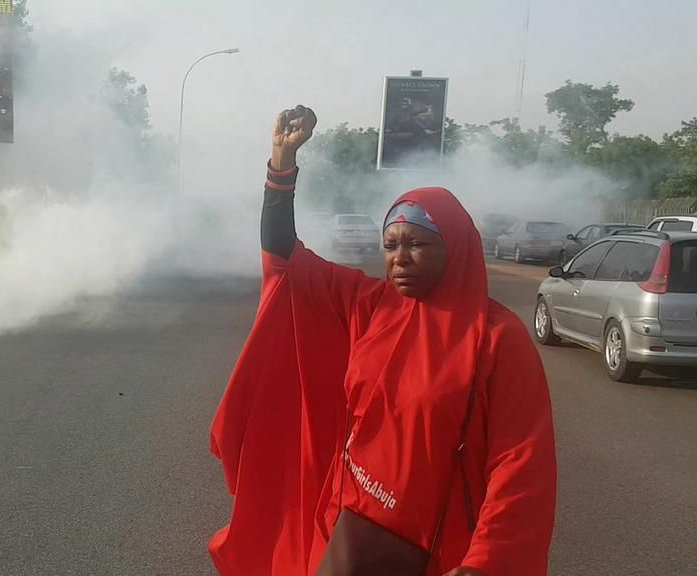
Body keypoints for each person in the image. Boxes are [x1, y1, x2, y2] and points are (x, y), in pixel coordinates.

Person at [209, 105, 556, 576]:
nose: (400, 258)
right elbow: (285, 256)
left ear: (455, 248)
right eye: (391, 245)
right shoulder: (370, 306)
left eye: (417, 244)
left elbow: (520, 461)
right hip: (352, 529)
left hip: (445, 549)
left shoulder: (496, 338)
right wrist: (282, 164)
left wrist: (485, 562)